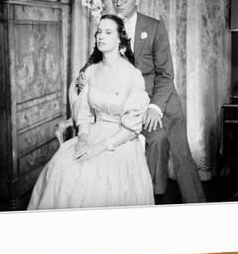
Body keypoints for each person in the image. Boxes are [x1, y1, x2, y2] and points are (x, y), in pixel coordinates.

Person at [27, 14, 154, 210]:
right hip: (92, 132)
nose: (101, 36)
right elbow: (83, 112)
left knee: (101, 183)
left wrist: (97, 149)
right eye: (99, 32)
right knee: (62, 169)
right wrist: (84, 138)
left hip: (121, 140)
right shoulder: (91, 72)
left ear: (120, 39)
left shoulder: (132, 75)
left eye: (108, 32)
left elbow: (131, 128)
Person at [108, 0, 206, 204]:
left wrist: (154, 107)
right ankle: (154, 196)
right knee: (157, 141)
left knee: (181, 155)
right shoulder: (109, 26)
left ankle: (199, 207)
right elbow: (98, 59)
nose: (118, 2)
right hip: (130, 101)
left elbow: (166, 74)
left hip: (162, 99)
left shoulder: (154, 27)